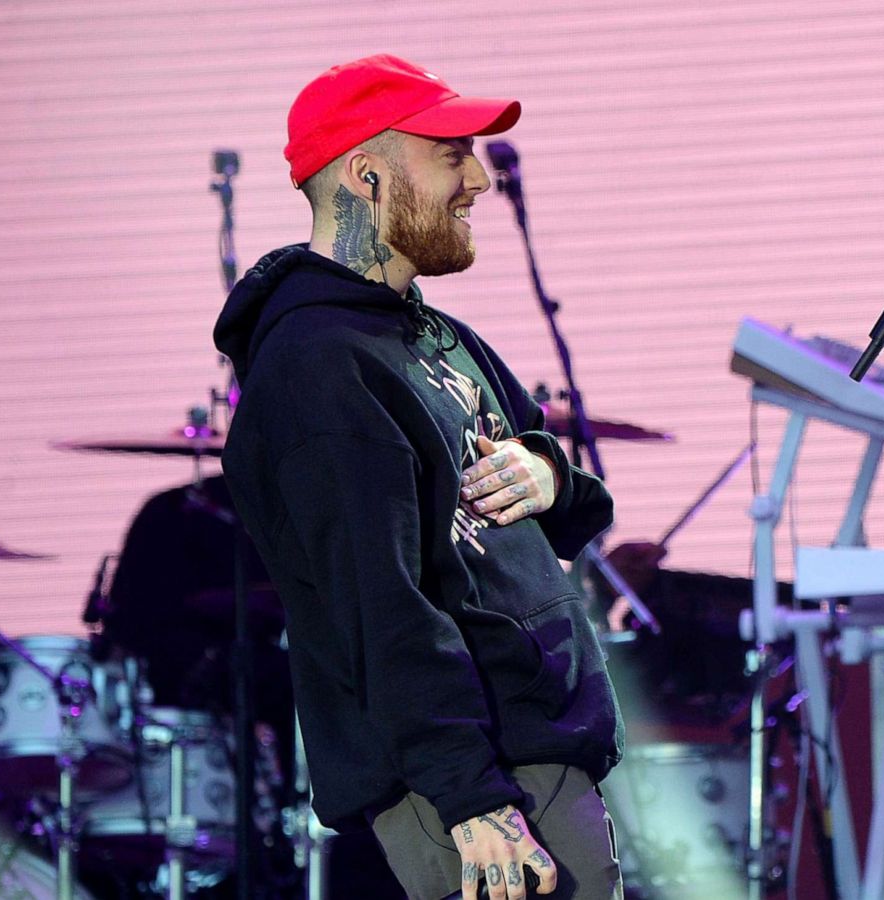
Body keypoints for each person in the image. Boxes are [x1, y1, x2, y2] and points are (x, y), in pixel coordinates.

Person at [213, 55, 623, 900]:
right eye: (451, 155)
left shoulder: (435, 337)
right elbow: (380, 606)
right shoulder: (317, 369)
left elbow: (575, 509)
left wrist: (547, 475)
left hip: (527, 757)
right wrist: (475, 800)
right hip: (479, 786)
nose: (478, 179)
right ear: (367, 175)